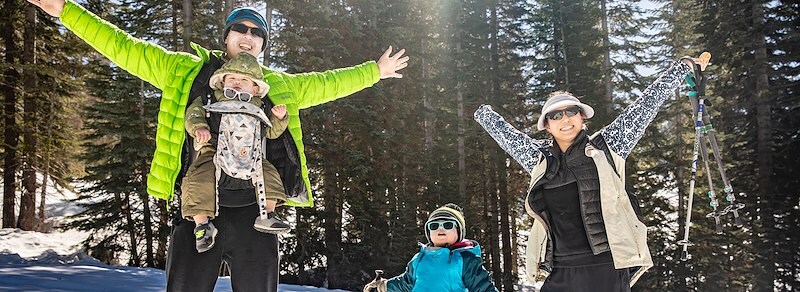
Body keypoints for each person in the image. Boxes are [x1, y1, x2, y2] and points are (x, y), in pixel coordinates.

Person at [27, 0, 408, 291]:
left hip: (255, 216)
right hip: (199, 213)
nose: (248, 35)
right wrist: (66, 10)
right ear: (226, 37)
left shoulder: (279, 85)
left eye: (257, 32)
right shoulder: (184, 70)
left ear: (262, 45)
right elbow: (123, 46)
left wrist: (375, 71)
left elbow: (328, 83)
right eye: (240, 28)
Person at [473, 56, 708, 291]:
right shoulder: (540, 159)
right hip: (560, 269)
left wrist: (683, 67)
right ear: (547, 126)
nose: (565, 119)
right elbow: (507, 136)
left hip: (606, 266)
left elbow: (645, 106)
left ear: (581, 116)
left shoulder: (608, 145)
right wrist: (481, 112)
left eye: (571, 111)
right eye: (556, 115)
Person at [184, 52, 293, 253]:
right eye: (232, 78)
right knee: (197, 177)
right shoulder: (210, 99)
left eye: (244, 81)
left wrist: (279, 118)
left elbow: (271, 133)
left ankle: (268, 214)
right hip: (214, 150)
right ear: (222, 82)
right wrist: (199, 127)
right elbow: (194, 113)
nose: (236, 83)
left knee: (269, 174)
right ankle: (202, 225)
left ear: (255, 88)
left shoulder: (260, 108)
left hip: (251, 154)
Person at [363, 203, 498, 292]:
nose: (440, 229)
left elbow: (484, 288)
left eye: (448, 225)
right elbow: (405, 283)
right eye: (434, 226)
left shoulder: (465, 260)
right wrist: (383, 285)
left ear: (459, 232)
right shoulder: (419, 259)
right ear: (429, 233)